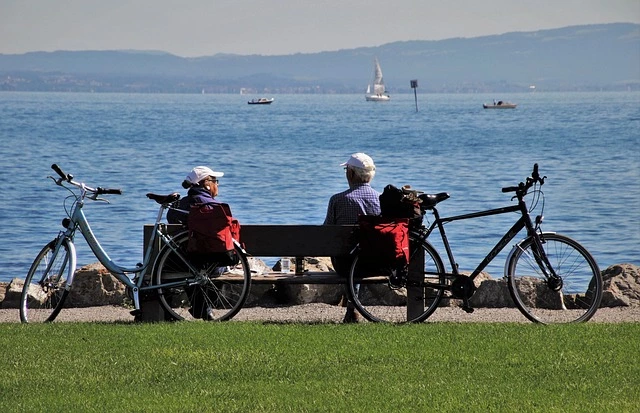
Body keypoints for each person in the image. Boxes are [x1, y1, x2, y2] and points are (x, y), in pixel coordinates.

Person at [324, 152, 381, 323]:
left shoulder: (338, 200)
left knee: (349, 255)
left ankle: (352, 307)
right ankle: (352, 307)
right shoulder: (381, 199)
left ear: (351, 174)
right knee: (361, 252)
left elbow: (326, 232)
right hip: (376, 262)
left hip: (344, 264)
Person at [181, 165, 226, 320]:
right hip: (208, 262)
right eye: (216, 180)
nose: (218, 184)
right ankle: (202, 308)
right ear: (206, 183)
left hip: (181, 261)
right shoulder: (214, 207)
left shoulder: (179, 205)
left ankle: (201, 308)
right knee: (222, 266)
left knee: (193, 268)